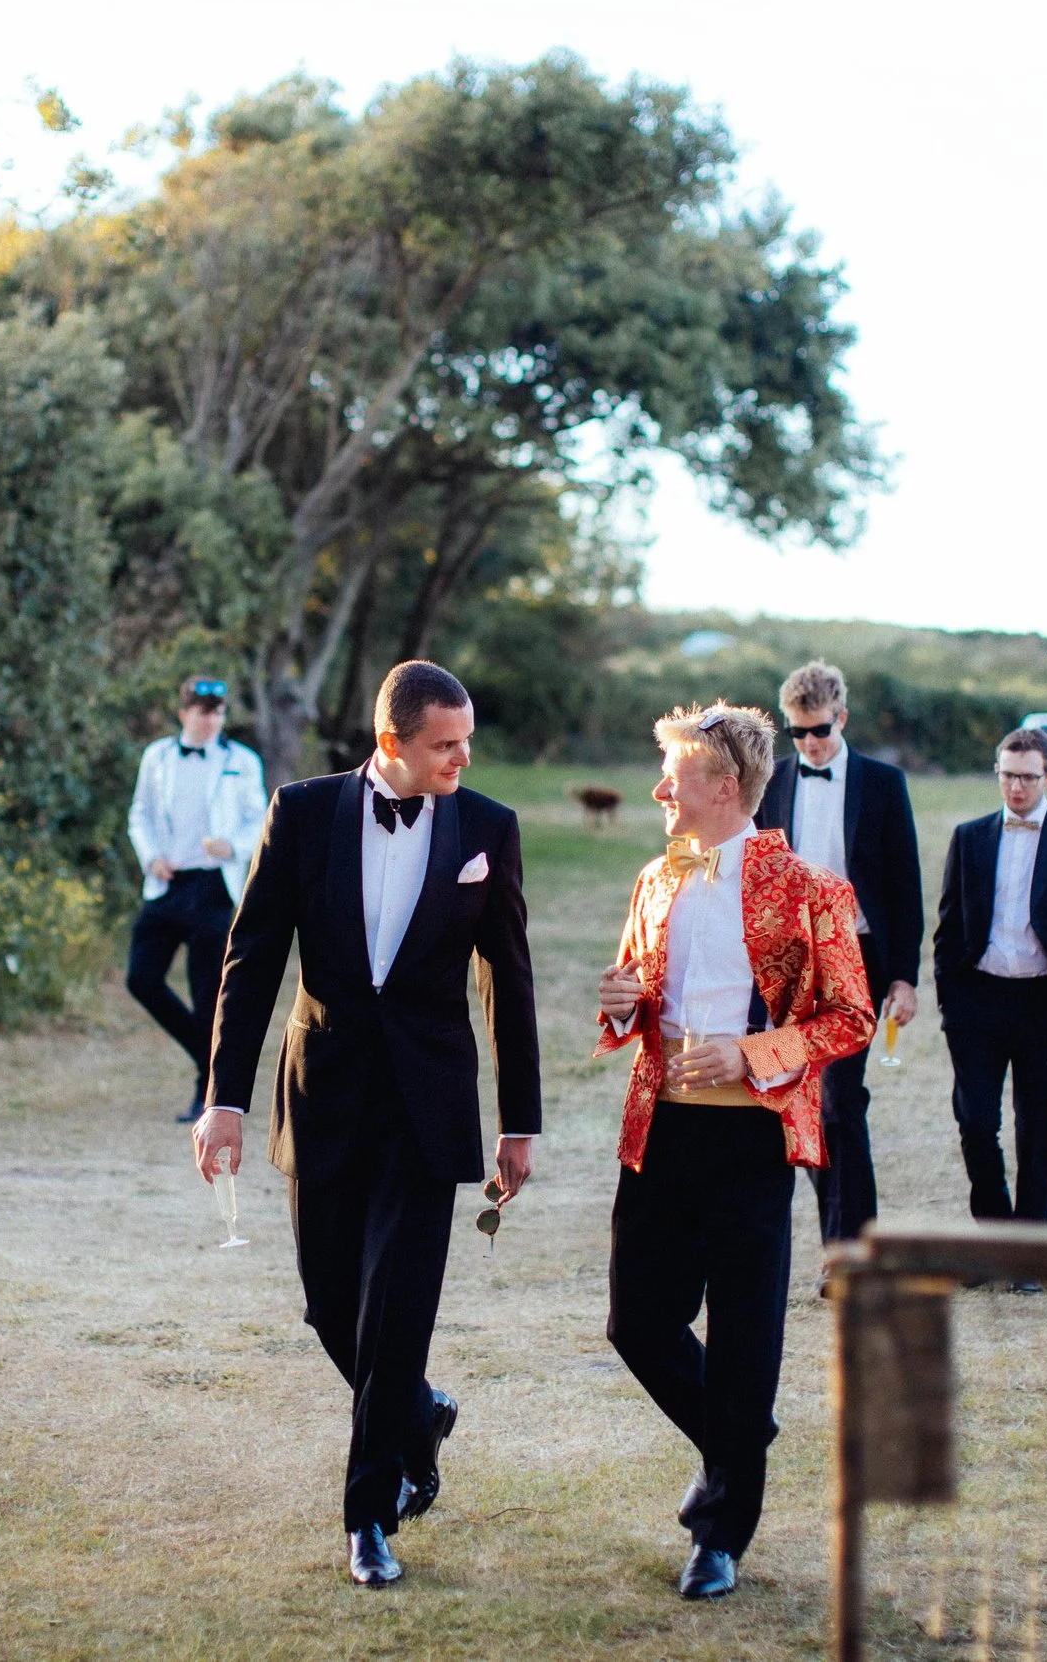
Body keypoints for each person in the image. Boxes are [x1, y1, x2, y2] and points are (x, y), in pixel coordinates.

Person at [194, 661, 541, 1589]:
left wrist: (520, 1121)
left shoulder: (488, 828)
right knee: (329, 1302)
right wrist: (223, 1099)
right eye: (445, 744)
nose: (463, 758)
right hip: (325, 1093)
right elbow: (250, 959)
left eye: (467, 741)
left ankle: (369, 1516)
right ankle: (417, 1413)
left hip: (429, 1105)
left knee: (398, 1312)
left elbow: (508, 979)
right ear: (392, 741)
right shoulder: (303, 813)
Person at [595, 703, 873, 1601]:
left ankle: (720, 1534)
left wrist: (752, 1053)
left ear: (723, 786)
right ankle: (741, 1430)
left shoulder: (807, 887)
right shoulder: (656, 878)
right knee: (636, 1321)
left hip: (754, 1138)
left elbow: (851, 1016)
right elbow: (636, 997)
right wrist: (620, 1004)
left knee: (745, 1335)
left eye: (672, 777)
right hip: (661, 1129)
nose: (658, 791)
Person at [753, 661, 923, 1259]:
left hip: (860, 955)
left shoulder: (883, 784)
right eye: (797, 733)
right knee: (797, 1099)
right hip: (790, 964)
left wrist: (904, 977)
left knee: (840, 1100)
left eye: (819, 730)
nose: (809, 743)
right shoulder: (771, 782)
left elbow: (905, 885)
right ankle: (847, 1243)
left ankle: (850, 1253)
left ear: (842, 718)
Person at [931, 728, 1047, 1236]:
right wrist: (951, 1001)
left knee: (1036, 1131)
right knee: (975, 1123)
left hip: (1044, 1003)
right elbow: (949, 926)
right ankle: (997, 1239)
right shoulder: (969, 838)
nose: (1016, 787)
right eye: (1008, 775)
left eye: (1028, 778)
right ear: (997, 773)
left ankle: (1030, 1248)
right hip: (977, 1002)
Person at [126, 676, 269, 1123]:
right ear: (184, 713)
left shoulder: (241, 761)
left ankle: (207, 1094)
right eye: (204, 712)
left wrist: (234, 846)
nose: (212, 720)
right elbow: (139, 815)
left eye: (219, 712)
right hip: (168, 883)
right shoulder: (157, 757)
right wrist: (151, 857)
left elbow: (259, 818)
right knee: (141, 978)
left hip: (213, 887)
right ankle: (208, 1058)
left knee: (208, 993)